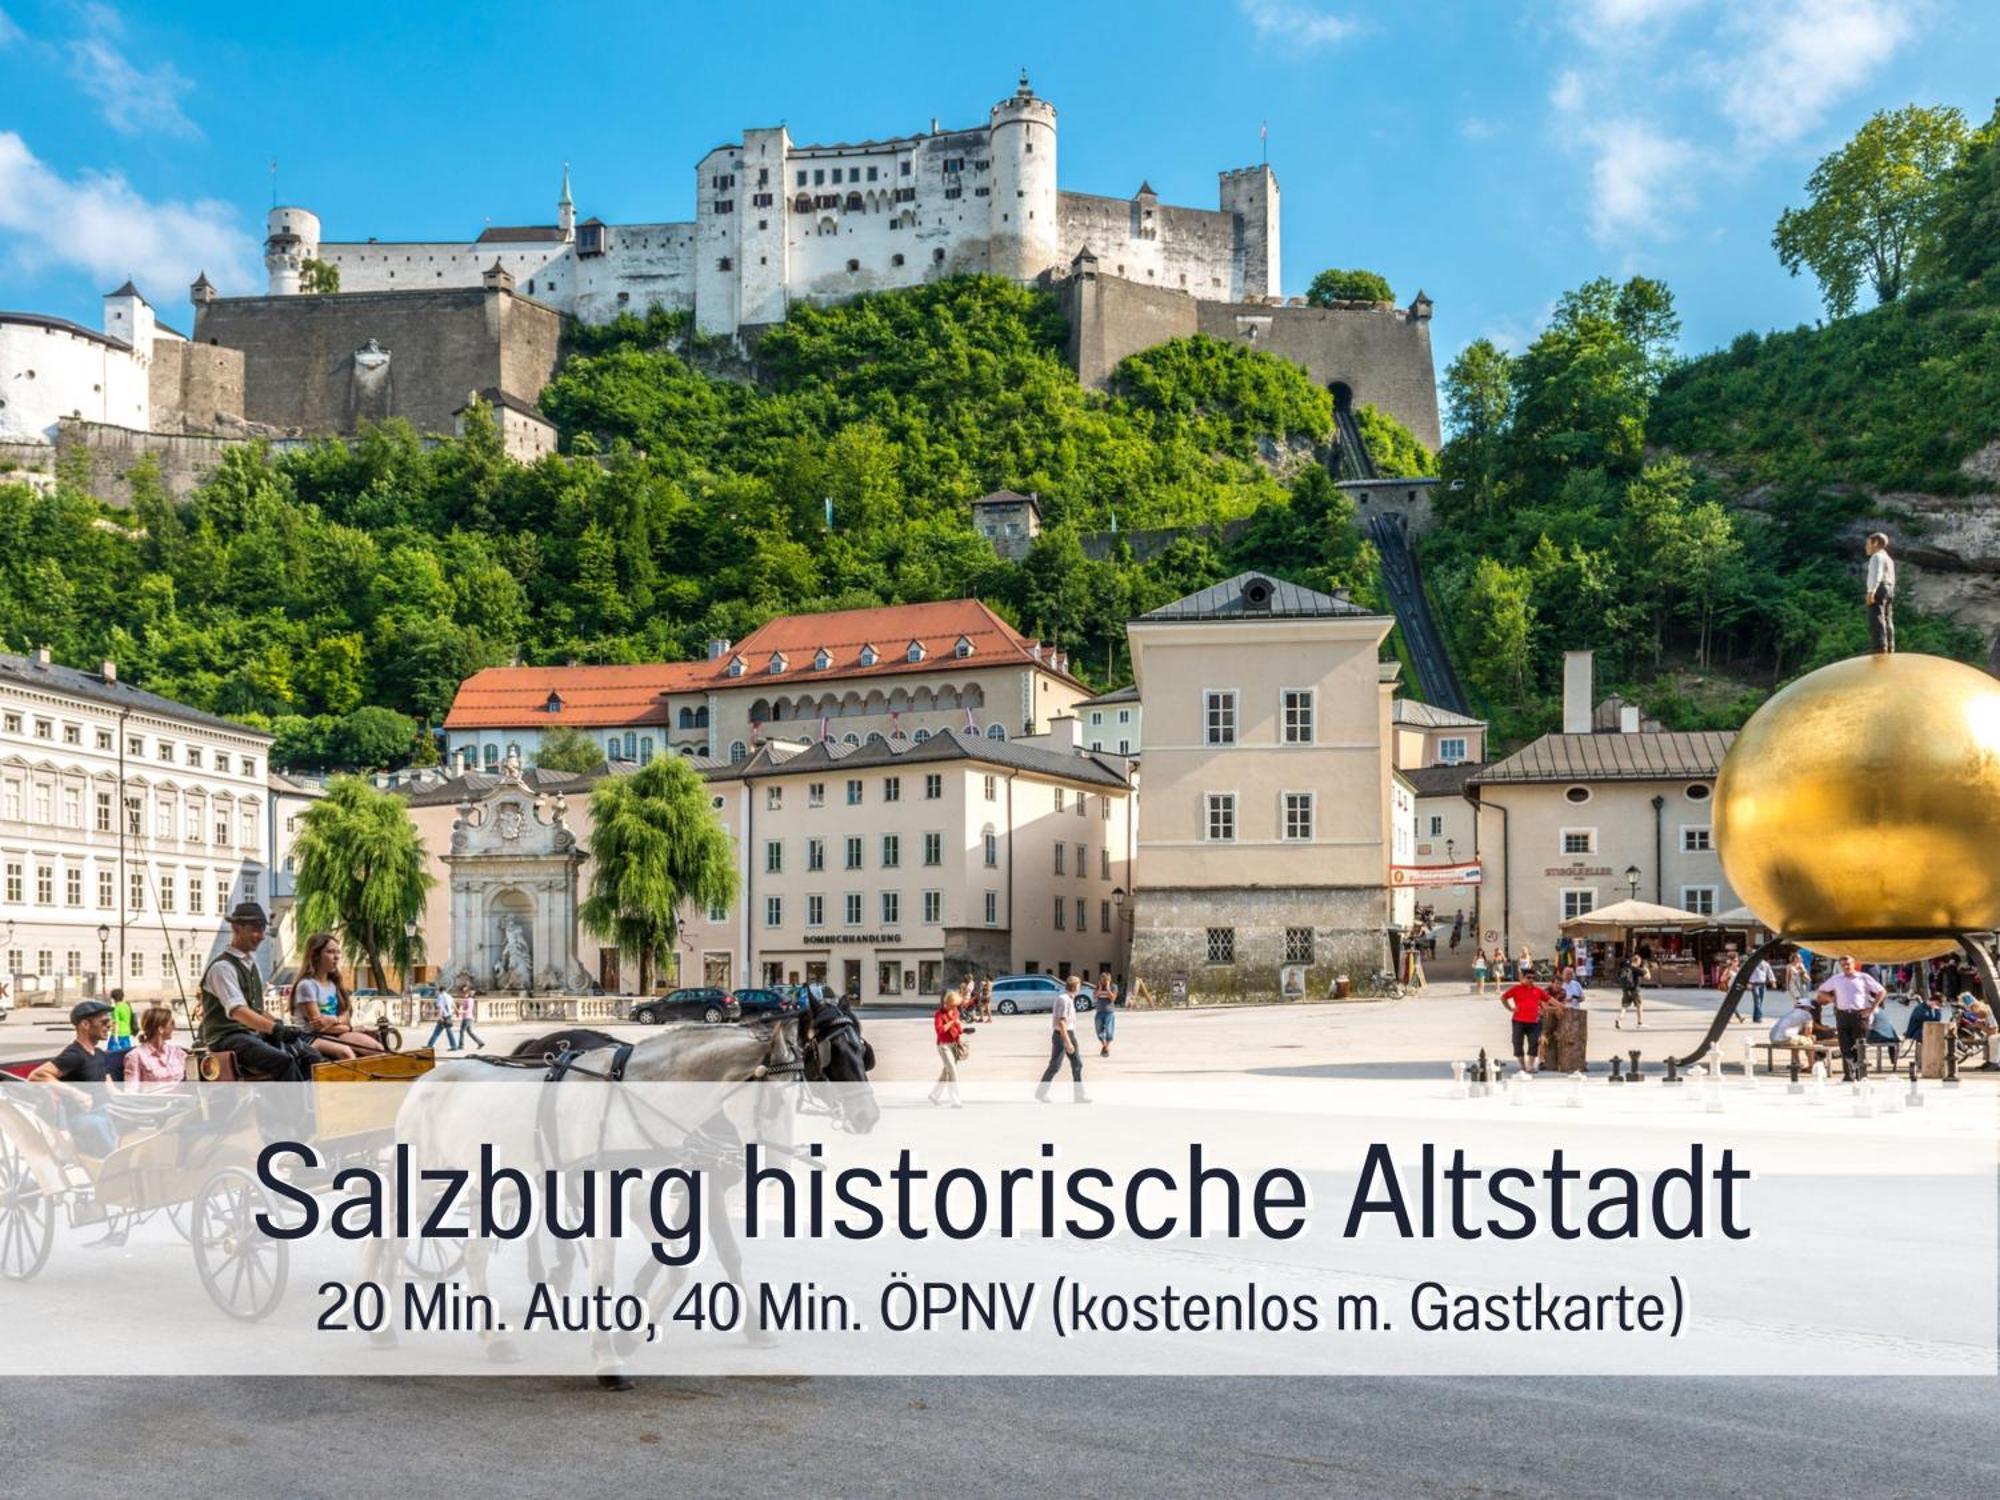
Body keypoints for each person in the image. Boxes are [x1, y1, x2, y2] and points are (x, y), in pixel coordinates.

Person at [197, 902, 321, 1081]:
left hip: (250, 1034)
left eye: (263, 930)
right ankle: (295, 1108)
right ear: (236, 928)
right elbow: (238, 1011)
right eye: (255, 929)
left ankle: (314, 1103)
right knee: (283, 1061)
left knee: (310, 1055)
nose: (262, 936)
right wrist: (275, 1029)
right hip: (226, 1038)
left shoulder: (251, 965)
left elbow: (255, 1009)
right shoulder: (222, 967)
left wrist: (280, 1026)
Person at [28, 999, 124, 1156]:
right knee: (98, 1124)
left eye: (110, 1022)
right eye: (104, 1022)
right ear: (85, 1025)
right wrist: (74, 1092)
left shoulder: (99, 1054)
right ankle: (113, 1167)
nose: (109, 1026)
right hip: (82, 1117)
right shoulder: (74, 1055)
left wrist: (131, 1101)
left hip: (104, 1110)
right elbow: (36, 1075)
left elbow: (110, 1086)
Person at [292, 931, 387, 1062]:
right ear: (315, 956)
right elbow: (318, 1026)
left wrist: (334, 1020)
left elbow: (345, 1017)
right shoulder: (307, 985)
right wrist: (345, 1025)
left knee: (377, 1048)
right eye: (330, 952)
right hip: (311, 1036)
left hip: (336, 1032)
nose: (336, 957)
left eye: (338, 952)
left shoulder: (334, 984)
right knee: (346, 1052)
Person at [1816, 954, 1885, 1081]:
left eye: (1848, 964)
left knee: (1859, 1045)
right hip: (1842, 1014)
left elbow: (1881, 991)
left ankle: (1861, 1074)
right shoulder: (1836, 979)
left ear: (1854, 964)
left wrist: (1872, 1008)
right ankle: (1848, 1074)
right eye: (1843, 965)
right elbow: (1821, 991)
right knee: (1845, 1045)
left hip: (1859, 1015)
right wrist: (1832, 999)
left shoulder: (1863, 977)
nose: (1846, 967)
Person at [1036, 975, 1088, 1103]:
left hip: (1070, 1033)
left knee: (1077, 1064)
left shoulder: (1069, 999)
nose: (1080, 988)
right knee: (1055, 1065)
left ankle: (1079, 1096)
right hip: (1061, 1035)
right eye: (1079, 986)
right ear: (1075, 987)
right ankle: (1041, 1093)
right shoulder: (1063, 1000)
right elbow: (1062, 1023)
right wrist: (1067, 1041)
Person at [124, 1005, 189, 1088]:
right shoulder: (135, 1056)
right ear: (161, 1028)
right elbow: (131, 1092)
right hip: (154, 1100)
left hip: (183, 1099)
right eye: (172, 1023)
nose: (174, 1027)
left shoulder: (177, 1052)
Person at [1500, 966, 1549, 1074]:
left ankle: (1530, 1066)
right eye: (1528, 977)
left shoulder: (1537, 990)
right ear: (1523, 978)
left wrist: (1559, 1006)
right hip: (1518, 1021)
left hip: (1533, 1022)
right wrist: (1510, 1008)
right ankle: (1523, 1065)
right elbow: (1503, 997)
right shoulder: (1516, 989)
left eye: (1533, 978)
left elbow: (1548, 999)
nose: (1531, 980)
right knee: (1517, 1042)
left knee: (1534, 1043)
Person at [930, 988, 964, 1107]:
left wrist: (962, 1029)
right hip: (943, 1046)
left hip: (954, 1044)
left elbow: (958, 1029)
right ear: (948, 1003)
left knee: (946, 1072)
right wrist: (952, 1022)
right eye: (953, 1005)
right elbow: (940, 1031)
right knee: (953, 1071)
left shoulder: (955, 1012)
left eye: (956, 1005)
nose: (955, 1007)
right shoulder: (939, 1014)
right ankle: (955, 1100)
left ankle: (934, 1095)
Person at [1864, 531, 1896, 653]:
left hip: (1879, 588)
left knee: (1876, 616)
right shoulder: (1889, 559)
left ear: (1875, 543)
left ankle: (1880, 646)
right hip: (1889, 588)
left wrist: (1871, 591)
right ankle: (1890, 645)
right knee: (1888, 617)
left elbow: (1876, 575)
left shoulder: (1876, 556)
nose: (1866, 547)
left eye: (1868, 544)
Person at [1742, 955, 1776, 1024]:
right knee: (1757, 1000)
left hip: (1762, 984)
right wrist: (1748, 982)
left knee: (1760, 1001)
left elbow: (1770, 973)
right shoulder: (1752, 963)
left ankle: (1755, 1017)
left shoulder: (1766, 964)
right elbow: (1748, 973)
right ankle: (1759, 1017)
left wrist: (1773, 982)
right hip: (1754, 984)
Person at [1617, 950, 1647, 1029]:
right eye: (1639, 962)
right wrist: (1646, 968)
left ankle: (1619, 1019)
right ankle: (1640, 1022)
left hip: (1626, 990)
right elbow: (1647, 977)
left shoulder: (1626, 968)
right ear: (1637, 961)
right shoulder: (1636, 969)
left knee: (1625, 1006)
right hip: (1635, 990)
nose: (1640, 963)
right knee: (1639, 1005)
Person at [426, 983, 460, 1051]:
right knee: (447, 1031)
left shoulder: (440, 996)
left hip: (443, 1016)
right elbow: (454, 1005)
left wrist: (439, 1016)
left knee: (437, 1032)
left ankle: (430, 1045)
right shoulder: (449, 996)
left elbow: (440, 1007)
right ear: (445, 990)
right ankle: (454, 1046)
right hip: (449, 1016)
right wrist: (457, 1012)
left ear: (439, 991)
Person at [1093, 971, 1118, 1056]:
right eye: (1102, 979)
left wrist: (1107, 988)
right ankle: (1104, 1046)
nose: (1103, 981)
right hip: (1099, 1012)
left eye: (1105, 979)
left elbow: (1113, 998)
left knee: (1109, 1031)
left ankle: (1106, 1048)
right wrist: (1100, 988)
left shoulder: (1113, 987)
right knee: (1099, 1031)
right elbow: (1095, 997)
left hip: (1109, 1012)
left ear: (1109, 980)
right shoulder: (1098, 987)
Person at [106, 987, 135, 1055]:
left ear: (113, 998)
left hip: (118, 1033)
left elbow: (116, 1023)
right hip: (127, 1032)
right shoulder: (127, 1006)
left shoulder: (116, 1008)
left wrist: (115, 1036)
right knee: (126, 1053)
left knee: (111, 1054)